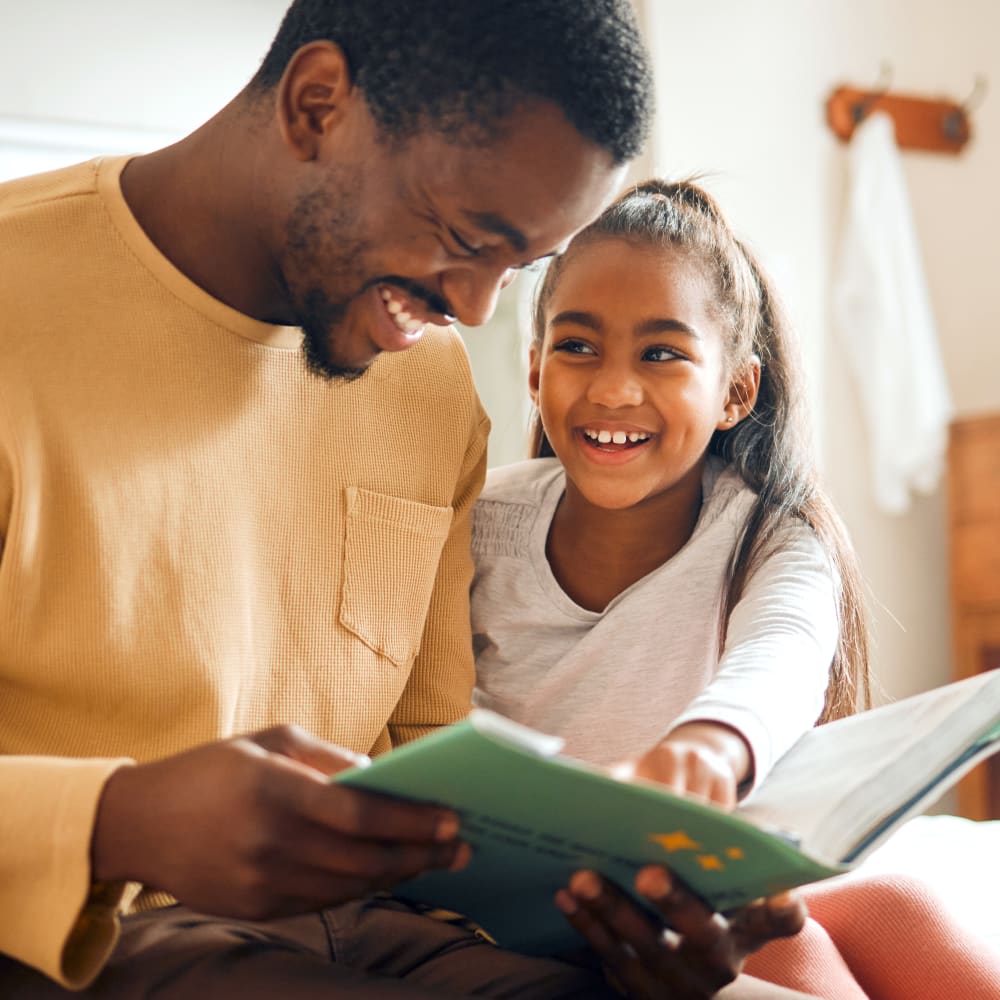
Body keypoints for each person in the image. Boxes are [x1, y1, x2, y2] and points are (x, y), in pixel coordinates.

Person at [0, 3, 816, 998]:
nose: (470, 312)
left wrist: (625, 912)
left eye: (513, 270)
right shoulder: (17, 301)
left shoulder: (426, 387)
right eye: (467, 237)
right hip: (79, 934)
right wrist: (118, 819)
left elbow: (432, 761)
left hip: (388, 926)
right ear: (316, 105)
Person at [471, 179, 1000, 999]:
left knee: (904, 906)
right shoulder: (480, 524)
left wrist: (711, 745)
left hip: (711, 869)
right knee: (784, 956)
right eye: (578, 347)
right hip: (554, 905)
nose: (613, 389)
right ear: (535, 370)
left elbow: (780, 657)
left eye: (662, 353)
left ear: (735, 392)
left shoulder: (775, 532)